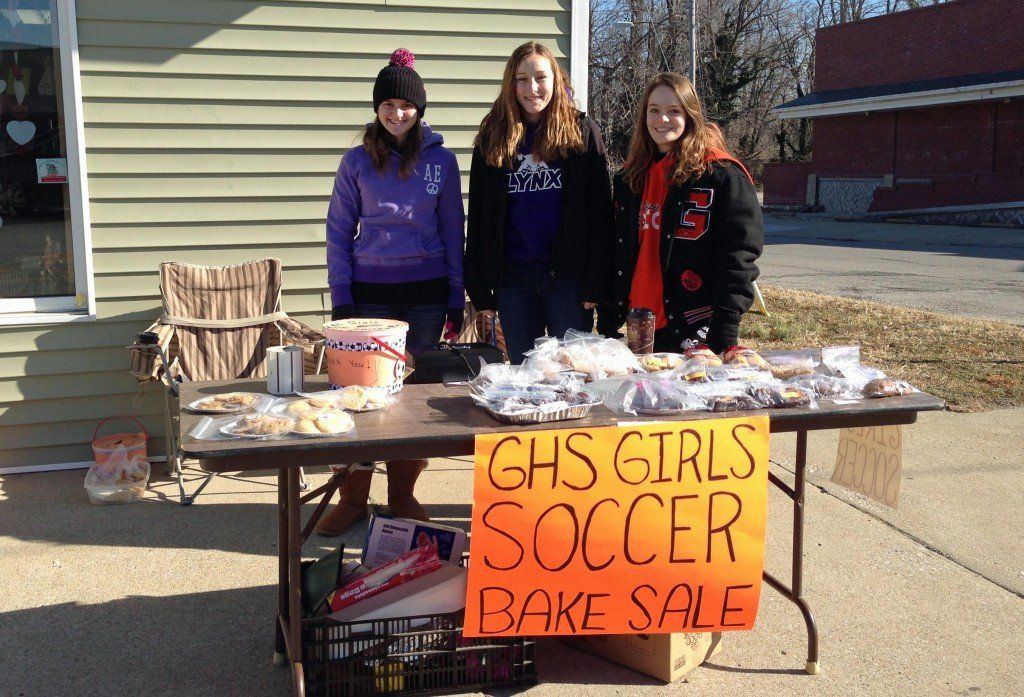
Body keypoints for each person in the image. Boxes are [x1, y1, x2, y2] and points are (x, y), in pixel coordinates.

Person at [317, 48, 465, 536]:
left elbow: (451, 228)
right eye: (388, 105)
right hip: (369, 296)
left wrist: (454, 295)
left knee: (410, 402)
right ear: (376, 109)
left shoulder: (441, 161)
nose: (397, 114)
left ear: (420, 110)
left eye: (407, 106)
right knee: (359, 397)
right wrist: (342, 298)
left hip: (425, 293)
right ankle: (354, 499)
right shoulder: (356, 162)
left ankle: (402, 495)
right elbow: (338, 232)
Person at [464, 41, 614, 364]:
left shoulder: (581, 132)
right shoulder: (492, 138)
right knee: (525, 375)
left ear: (555, 81)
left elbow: (601, 214)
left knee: (571, 375)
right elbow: (477, 217)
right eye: (521, 79)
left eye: (540, 77)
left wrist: (595, 282)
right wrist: (477, 284)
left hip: (568, 281)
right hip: (513, 280)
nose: (532, 88)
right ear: (510, 84)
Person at [599, 72, 763, 354]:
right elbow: (619, 250)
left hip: (696, 322)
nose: (662, 119)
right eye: (654, 110)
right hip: (640, 319)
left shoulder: (720, 174)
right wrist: (609, 312)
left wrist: (725, 326)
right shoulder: (630, 178)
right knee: (647, 396)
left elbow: (739, 256)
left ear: (690, 115)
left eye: (673, 111)